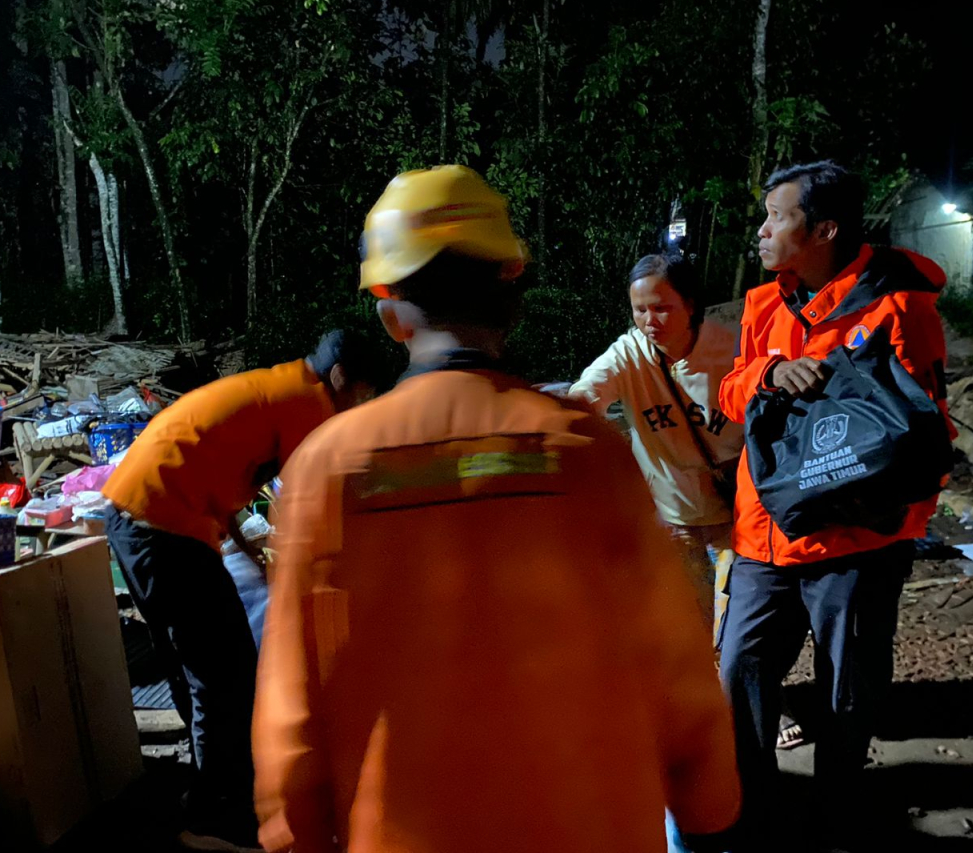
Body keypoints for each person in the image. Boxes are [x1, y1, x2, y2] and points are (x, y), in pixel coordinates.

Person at [252, 165, 740, 853]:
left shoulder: (327, 467)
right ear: (511, 295)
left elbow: (291, 709)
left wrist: (294, 835)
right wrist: (706, 807)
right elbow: (676, 664)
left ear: (390, 309)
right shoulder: (584, 451)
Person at [717, 161, 953, 846]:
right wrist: (768, 372)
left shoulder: (899, 307)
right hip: (765, 535)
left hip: (856, 544)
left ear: (823, 229)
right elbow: (731, 393)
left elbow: (923, 434)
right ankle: (751, 810)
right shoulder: (765, 305)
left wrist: (899, 531)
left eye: (776, 218)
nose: (761, 231)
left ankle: (836, 817)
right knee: (742, 669)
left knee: (847, 691)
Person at [102, 330, 377, 853]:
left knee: (198, 667)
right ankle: (213, 815)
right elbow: (307, 505)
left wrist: (252, 556)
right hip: (163, 525)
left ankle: (204, 795)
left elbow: (221, 466)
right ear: (342, 379)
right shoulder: (310, 404)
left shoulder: (279, 387)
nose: (357, 408)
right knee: (224, 674)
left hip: (137, 515)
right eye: (362, 396)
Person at [570, 250, 743, 631]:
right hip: (672, 514)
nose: (650, 322)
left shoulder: (730, 349)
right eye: (640, 310)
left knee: (738, 623)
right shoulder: (629, 355)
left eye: (662, 308)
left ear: (691, 305)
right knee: (689, 623)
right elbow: (586, 396)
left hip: (735, 511)